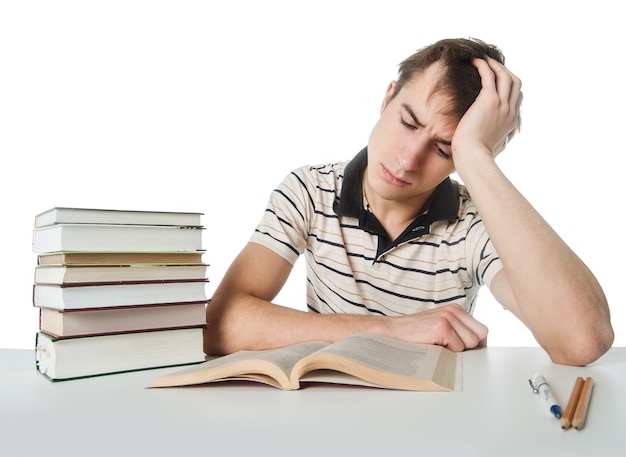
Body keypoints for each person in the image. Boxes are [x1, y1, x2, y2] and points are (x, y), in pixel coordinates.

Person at [204, 37, 613, 366]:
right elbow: (220, 324)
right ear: (386, 99)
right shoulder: (310, 190)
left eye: (443, 148)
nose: (408, 159)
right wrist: (392, 331)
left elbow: (581, 342)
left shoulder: (476, 223)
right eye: (408, 121)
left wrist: (475, 156)